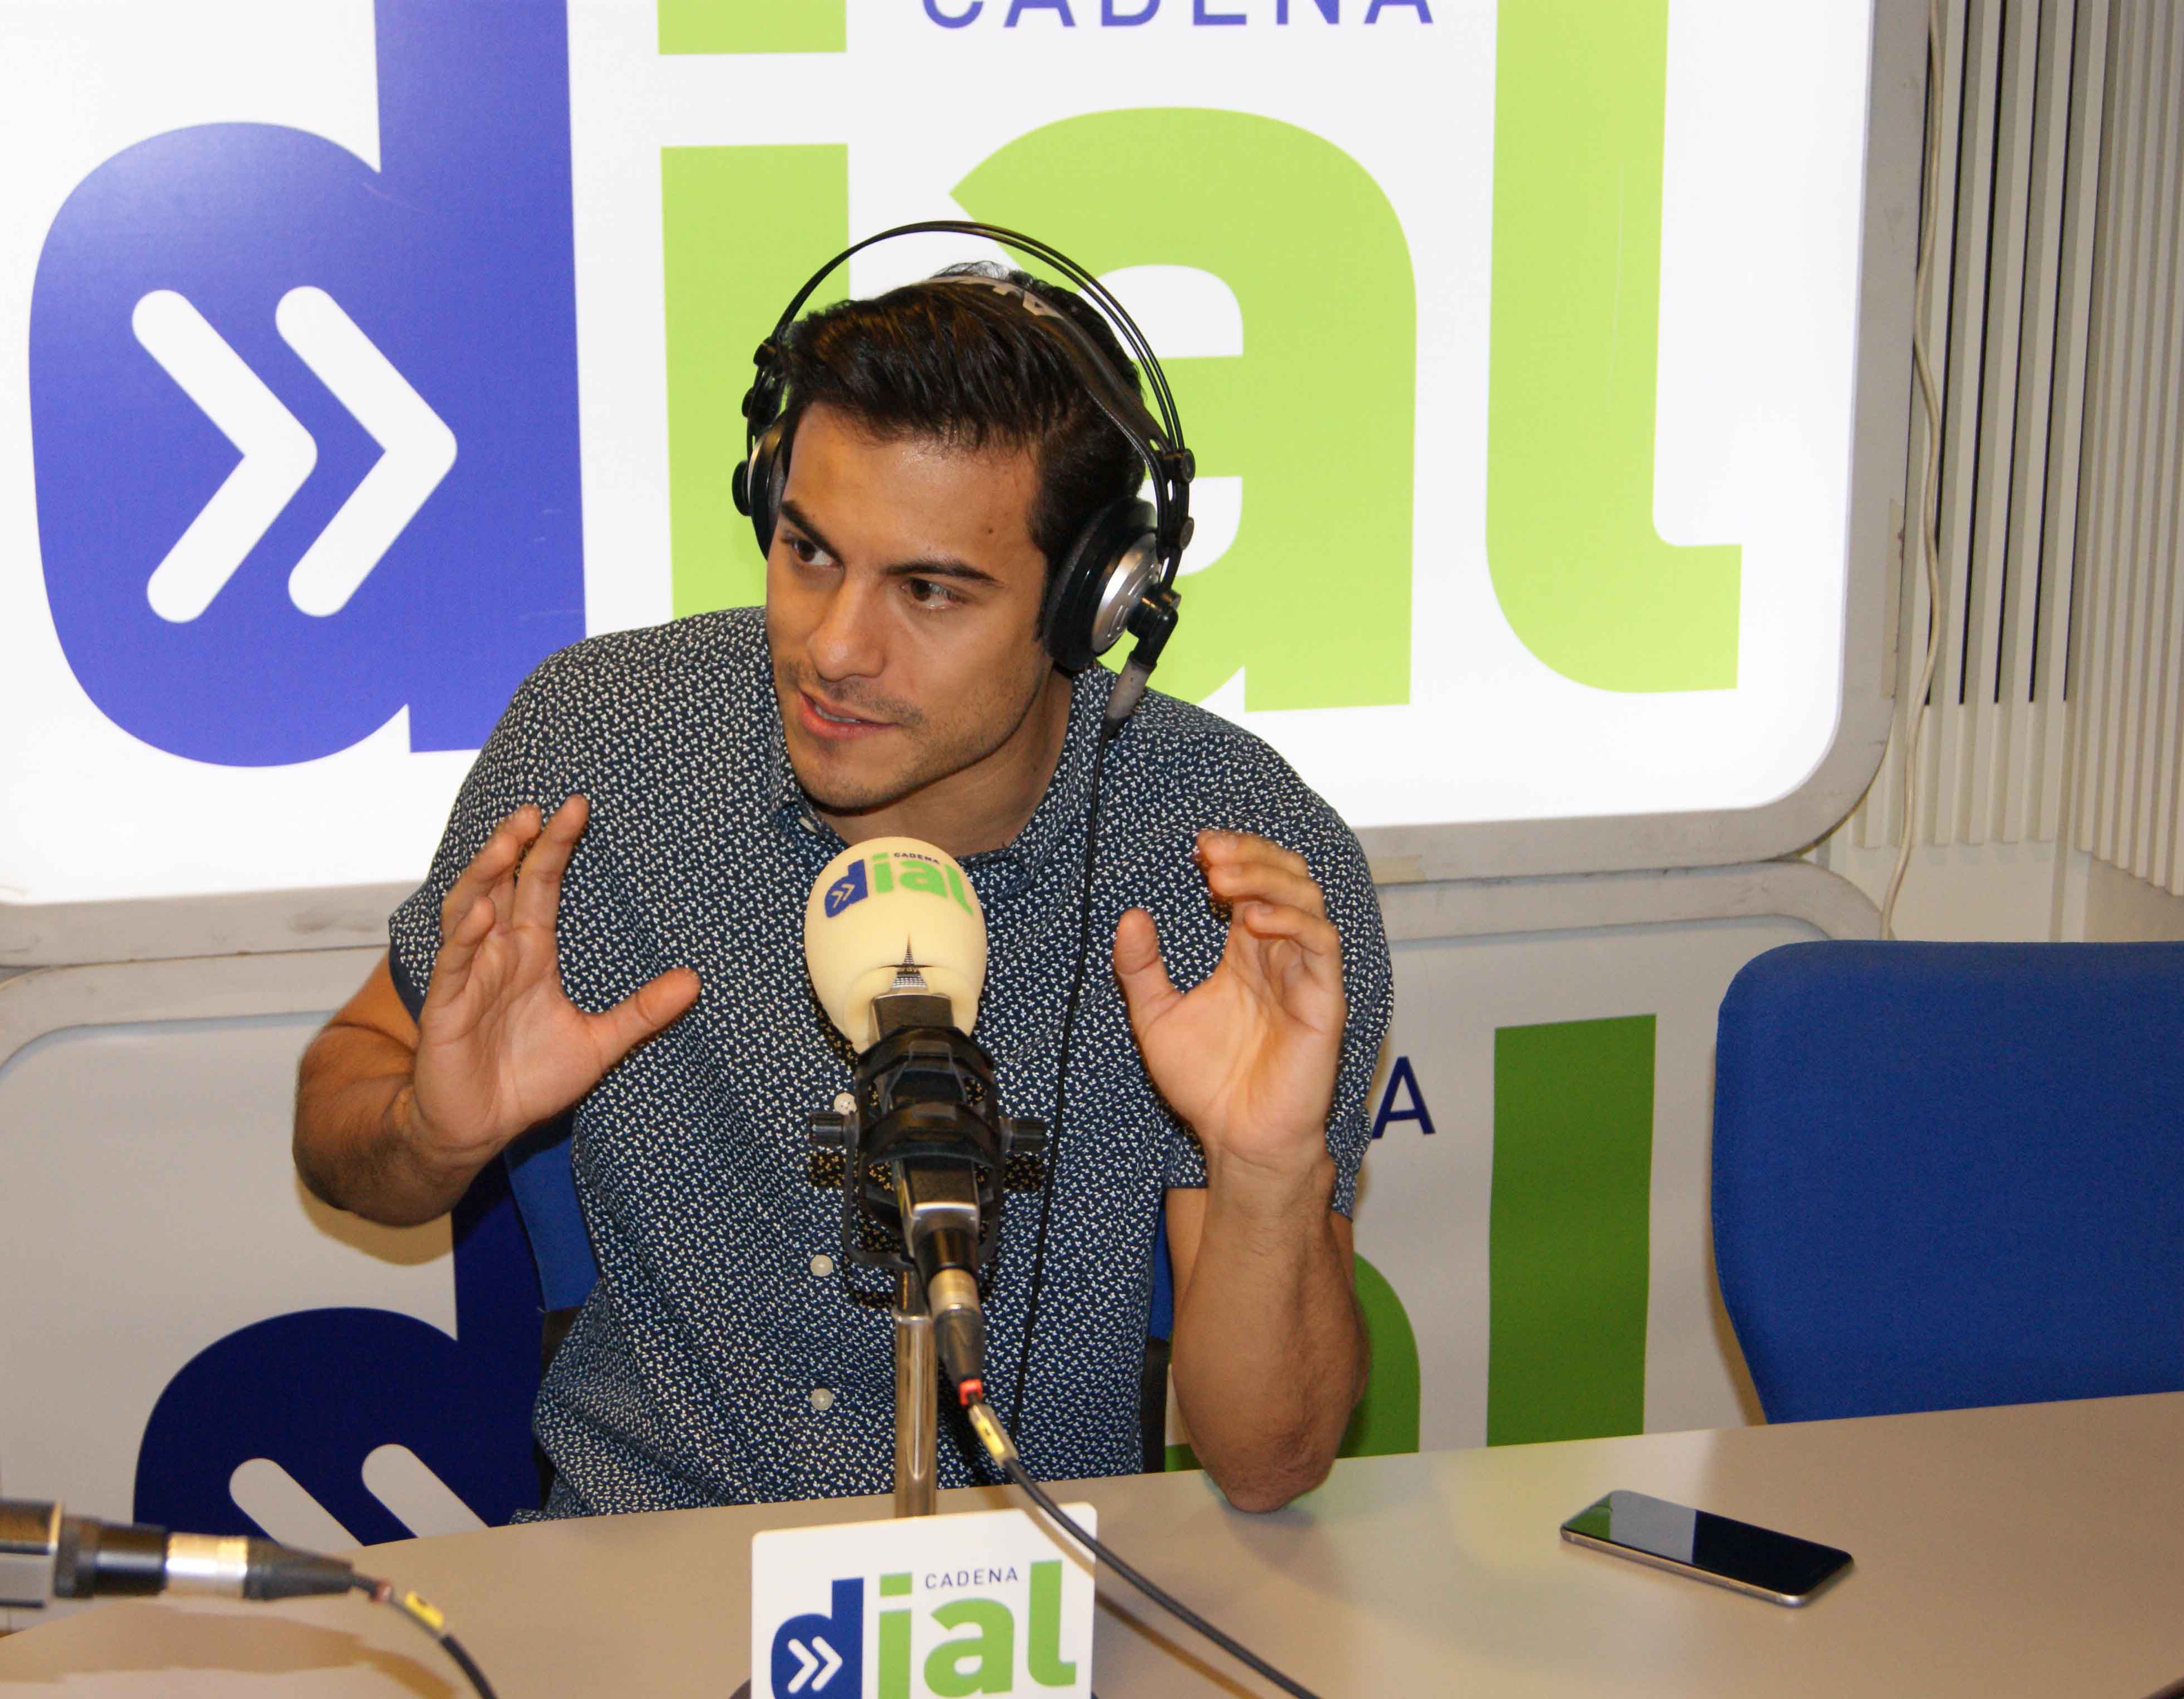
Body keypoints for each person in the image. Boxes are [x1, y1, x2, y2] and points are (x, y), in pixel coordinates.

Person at [293, 254, 1394, 1519]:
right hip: (645, 1569)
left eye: (928, 590)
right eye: (808, 550)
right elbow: (343, 1114)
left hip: (1019, 1588)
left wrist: (1264, 1169)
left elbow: (1270, 1462)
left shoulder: (1231, 868)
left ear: (1090, 606)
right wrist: (430, 1133)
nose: (834, 647)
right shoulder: (604, 744)